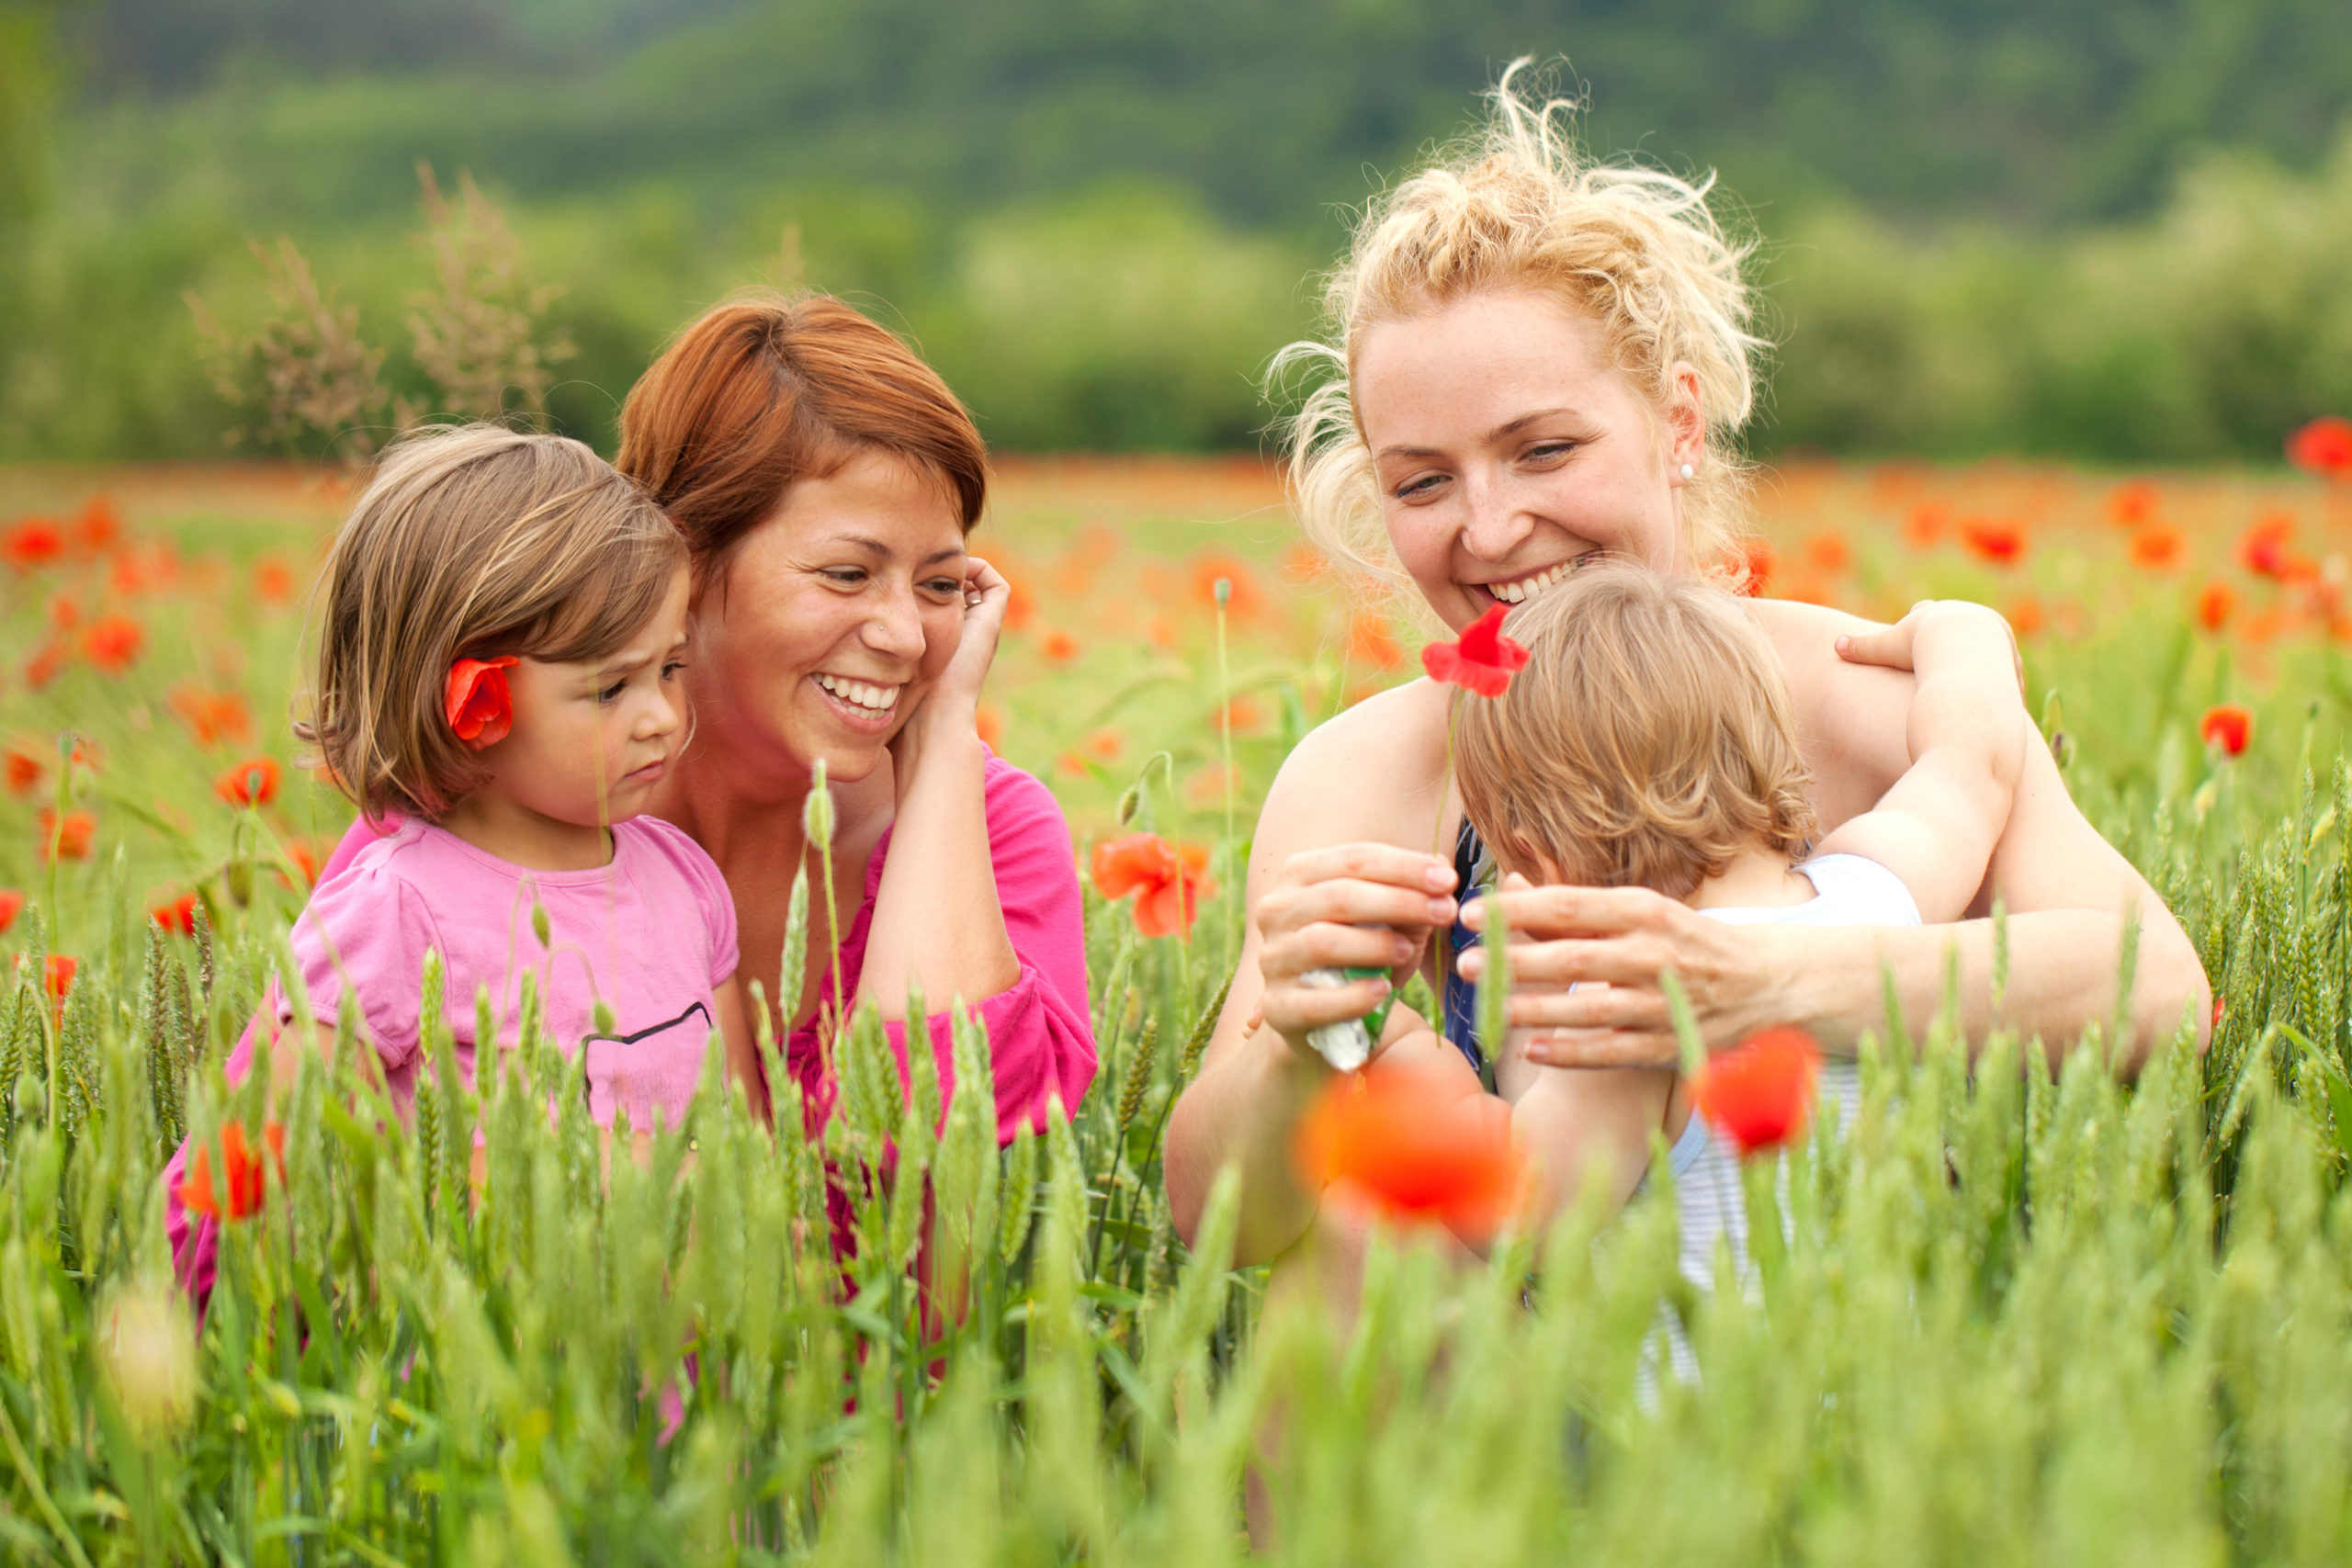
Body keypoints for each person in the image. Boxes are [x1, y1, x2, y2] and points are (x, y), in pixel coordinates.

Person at [1163, 62, 2210, 1278]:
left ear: (1678, 423)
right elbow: (1221, 1224)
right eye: (1423, 481)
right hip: (1518, 1383)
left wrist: (1753, 976)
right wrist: (1299, 1043)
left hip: (1870, 1360)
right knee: (1348, 1242)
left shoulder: (1862, 691)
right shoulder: (1373, 773)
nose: (1491, 528)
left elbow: (2159, 995)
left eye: (1544, 448)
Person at [167, 425, 752, 1295]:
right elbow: (266, 1170)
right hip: (481, 1386)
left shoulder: (686, 877)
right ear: (468, 699)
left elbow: (742, 1135)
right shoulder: (395, 910)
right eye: (609, 687)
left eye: (669, 669)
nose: (663, 715)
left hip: (688, 1379)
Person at [1407, 568, 2025, 1263]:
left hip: (1711, 1375)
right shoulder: (1878, 890)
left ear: (1531, 853)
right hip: (1890, 1367)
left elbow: (1520, 1217)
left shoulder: (1633, 1005)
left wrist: (1410, 1060)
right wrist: (1963, 632)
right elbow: (1976, 765)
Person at [615, 291, 1096, 1153]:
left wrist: (947, 727)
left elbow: (940, 1149)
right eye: (847, 574)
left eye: (940, 584)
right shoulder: (512, 797)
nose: (907, 636)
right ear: (684, 560)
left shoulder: (999, 831)